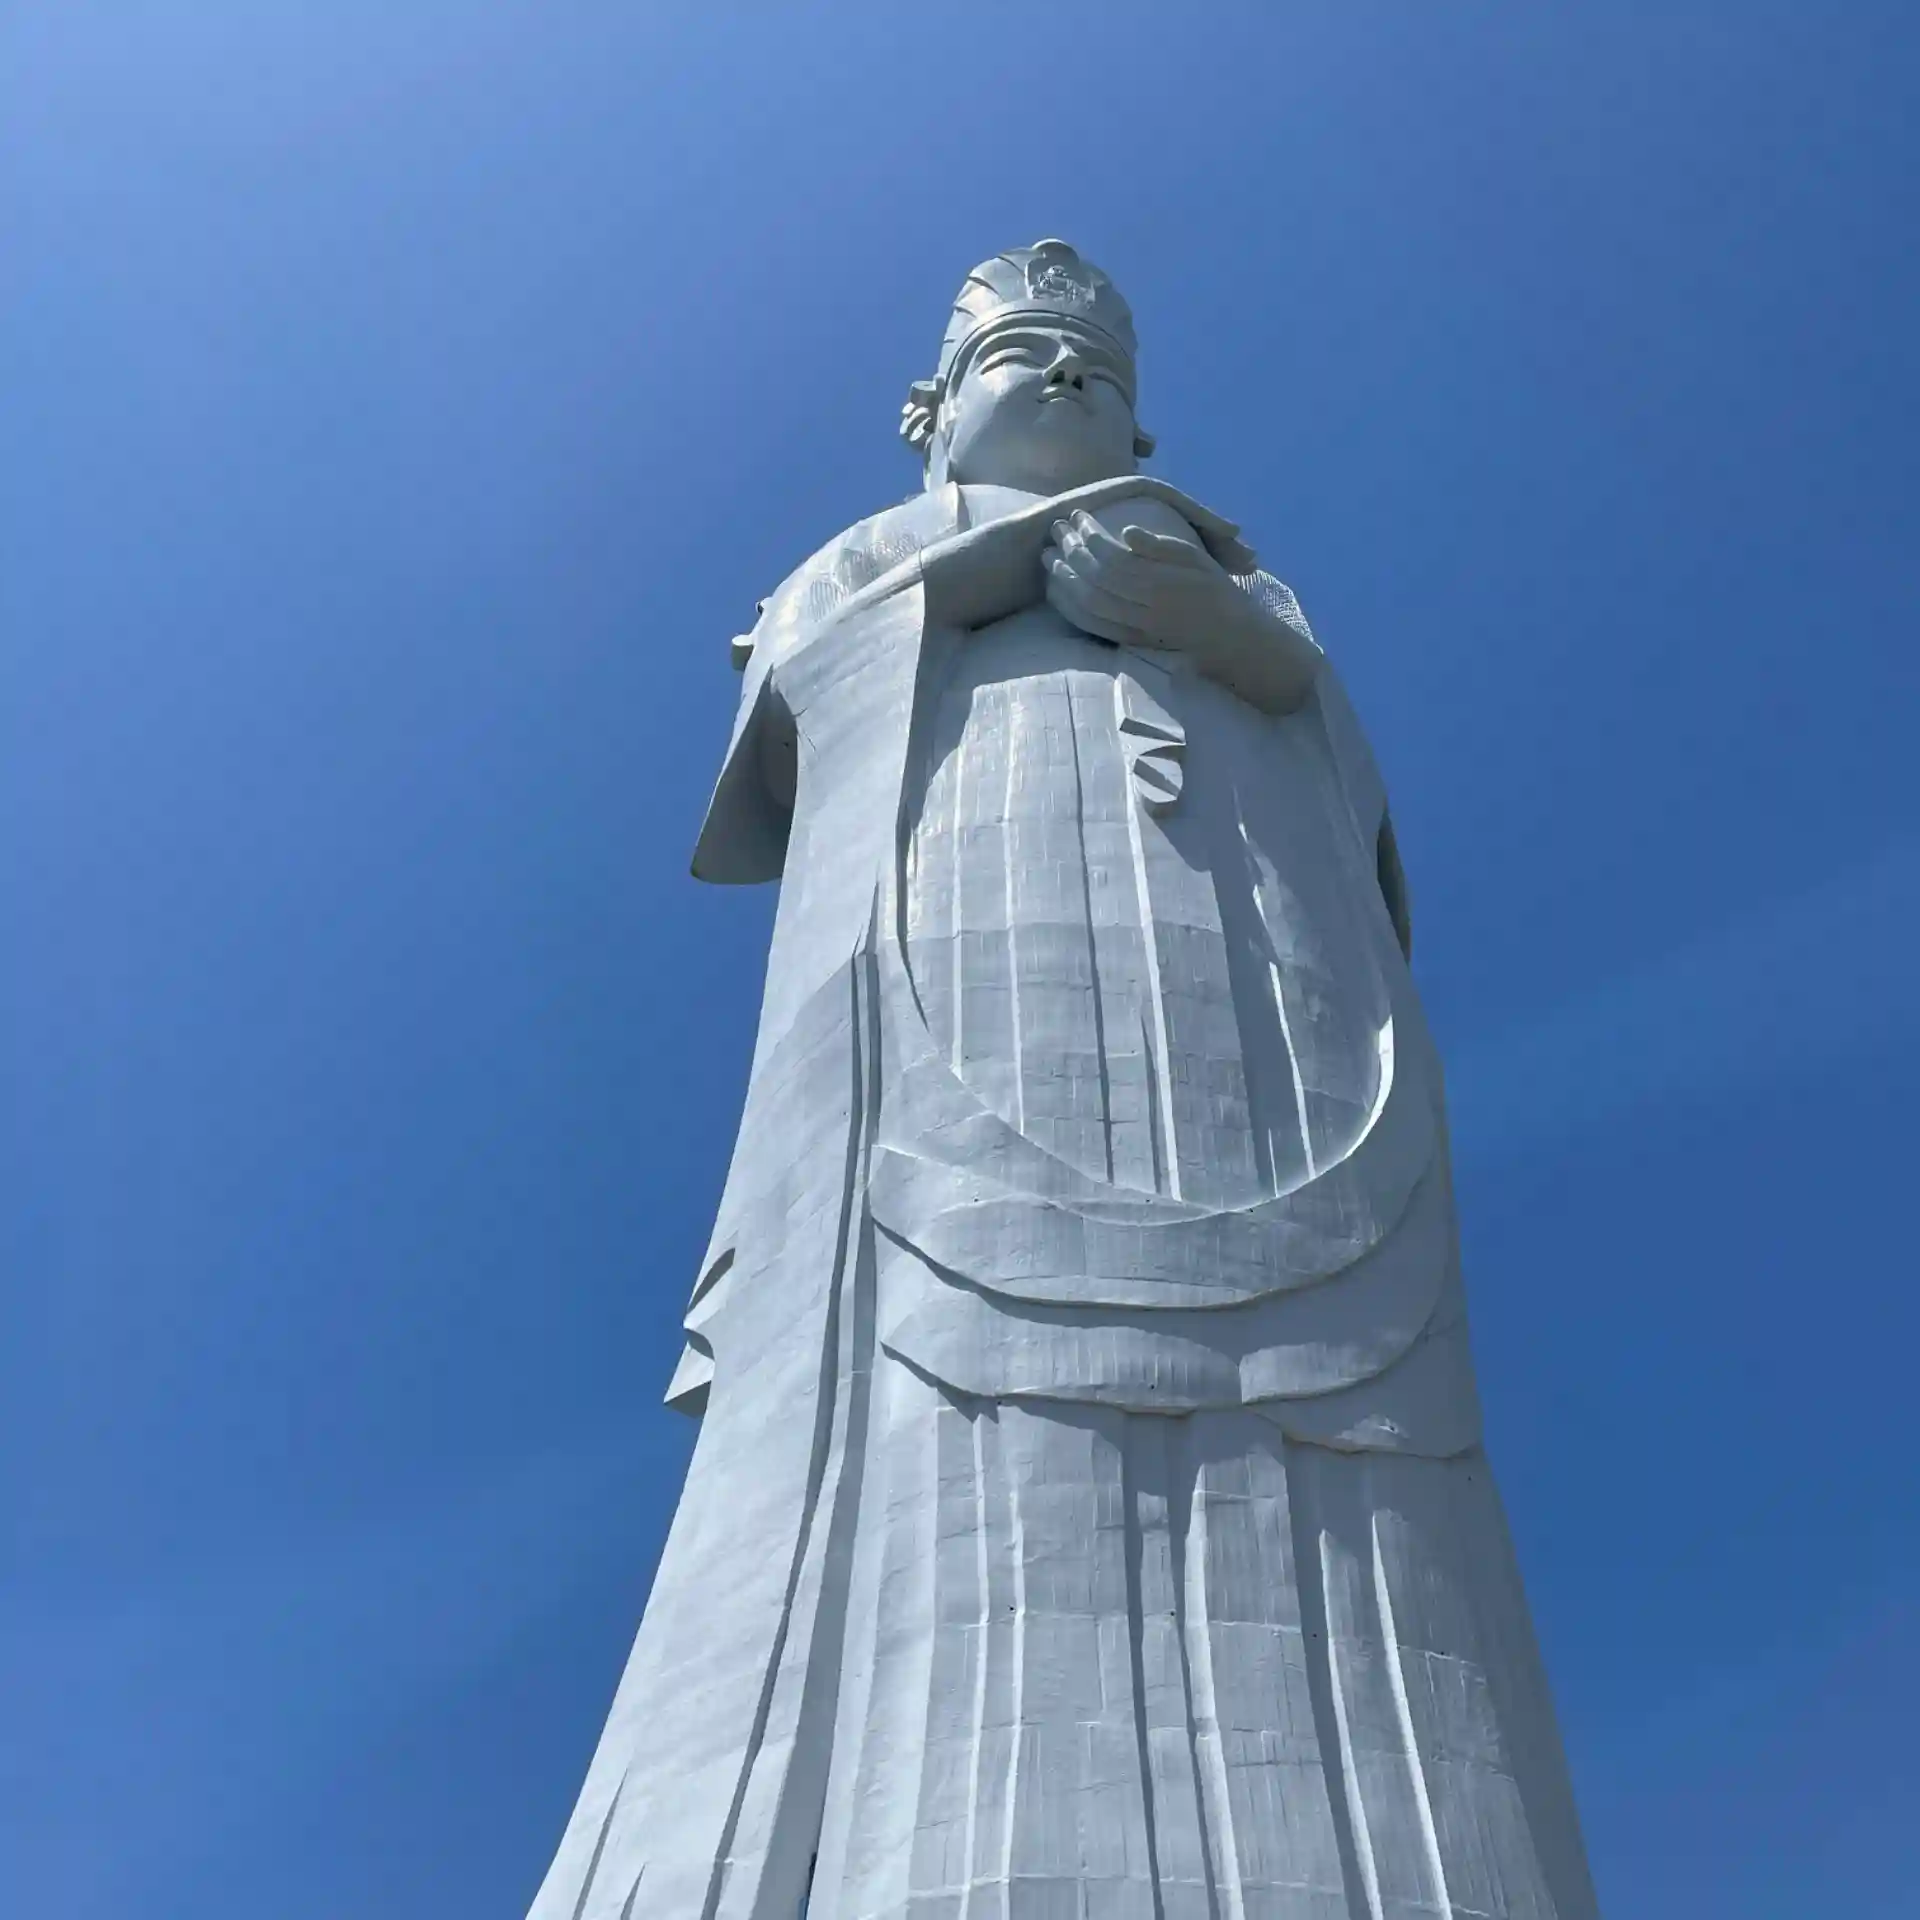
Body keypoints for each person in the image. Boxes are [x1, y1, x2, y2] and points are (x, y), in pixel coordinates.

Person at [530, 241, 1599, 1920]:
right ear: (932, 411)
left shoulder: (1242, 588)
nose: (1067, 376)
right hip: (965, 980)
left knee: (1366, 1455)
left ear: (1144, 425)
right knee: (928, 1411)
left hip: (1270, 1040)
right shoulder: (875, 558)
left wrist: (1216, 631)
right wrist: (993, 577)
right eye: (1018, 355)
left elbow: (1355, 810)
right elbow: (795, 698)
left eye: (1097, 366)